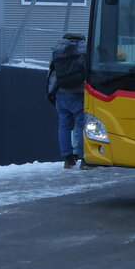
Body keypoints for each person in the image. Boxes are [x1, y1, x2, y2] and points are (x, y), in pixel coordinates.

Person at [47, 32, 88, 169]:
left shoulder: (58, 50)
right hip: (79, 94)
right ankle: (84, 159)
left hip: (61, 93)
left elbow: (52, 73)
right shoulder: (84, 49)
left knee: (64, 126)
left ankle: (68, 159)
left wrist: (51, 93)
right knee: (82, 126)